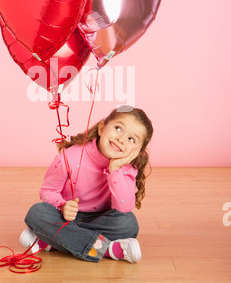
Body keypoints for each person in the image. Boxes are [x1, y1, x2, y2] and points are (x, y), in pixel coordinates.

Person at [20, 105, 153, 263]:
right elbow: (48, 190)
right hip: (65, 217)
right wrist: (62, 205)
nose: (121, 139)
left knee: (128, 223)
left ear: (137, 151)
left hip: (100, 220)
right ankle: (108, 250)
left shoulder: (128, 167)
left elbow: (123, 208)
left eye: (132, 139)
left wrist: (115, 169)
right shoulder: (70, 157)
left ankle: (53, 241)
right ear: (102, 127)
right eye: (118, 128)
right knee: (37, 213)